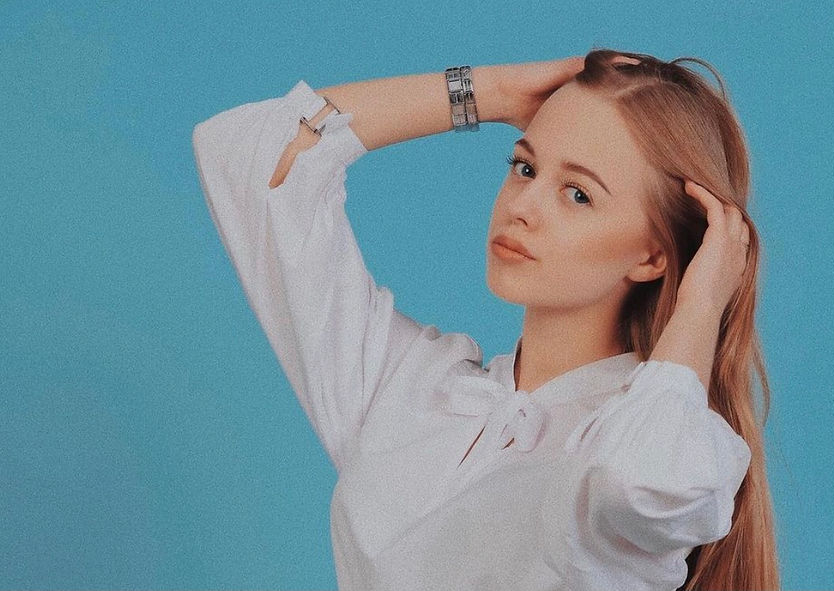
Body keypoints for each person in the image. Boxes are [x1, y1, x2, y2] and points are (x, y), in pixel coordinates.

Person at [192, 47, 780, 590]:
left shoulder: (639, 445)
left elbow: (647, 481)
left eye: (578, 194)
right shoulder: (415, 389)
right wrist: (490, 94)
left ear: (653, 256)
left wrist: (702, 304)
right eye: (524, 167)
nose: (523, 206)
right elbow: (256, 158)